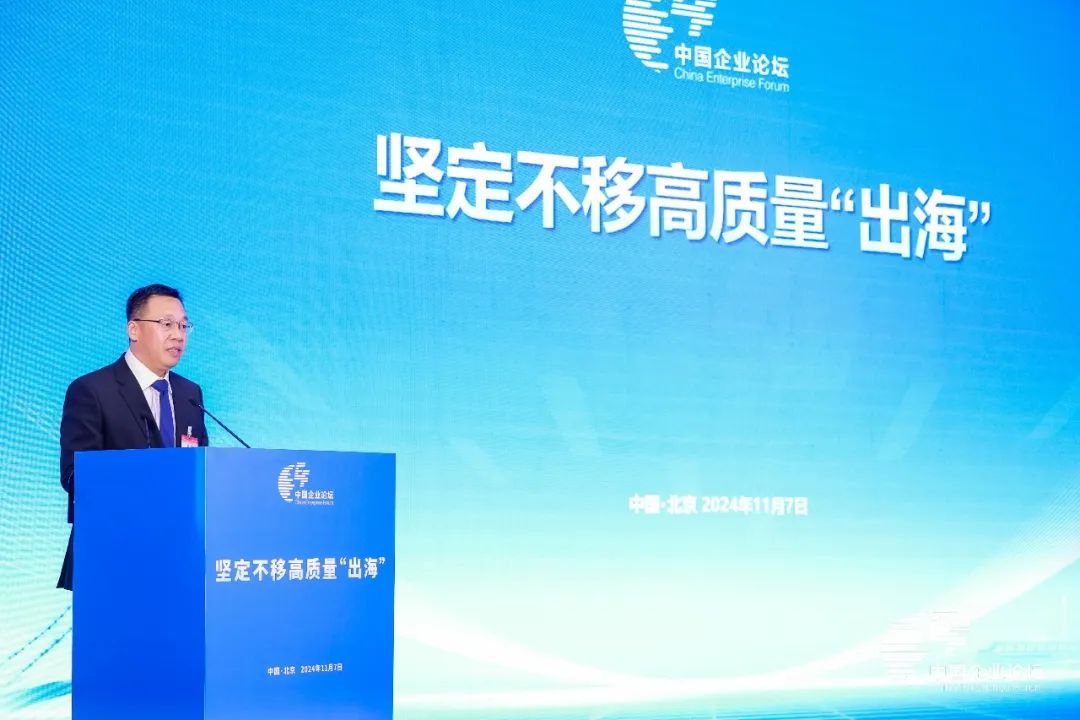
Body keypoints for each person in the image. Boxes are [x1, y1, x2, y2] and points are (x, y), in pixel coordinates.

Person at [57, 284, 209, 590]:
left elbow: (202, 469)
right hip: (111, 554)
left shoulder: (190, 394)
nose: (178, 335)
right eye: (167, 324)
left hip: (176, 556)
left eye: (184, 326)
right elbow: (75, 475)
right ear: (134, 329)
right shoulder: (92, 390)